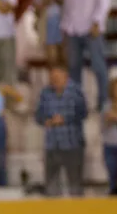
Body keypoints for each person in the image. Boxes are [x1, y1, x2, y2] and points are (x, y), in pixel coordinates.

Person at [62, 0, 111, 110]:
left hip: (92, 29)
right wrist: (66, 27)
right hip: (74, 29)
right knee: (74, 69)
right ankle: (77, 104)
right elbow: (69, 5)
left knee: (98, 66)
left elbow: (103, 2)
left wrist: (97, 22)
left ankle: (103, 102)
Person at [34, 64, 88, 197]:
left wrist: (65, 119)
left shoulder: (76, 92)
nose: (54, 81)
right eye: (52, 78)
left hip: (72, 144)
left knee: (74, 183)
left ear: (65, 76)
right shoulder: (45, 93)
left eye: (57, 77)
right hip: (52, 145)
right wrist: (45, 120)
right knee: (51, 185)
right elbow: (38, 115)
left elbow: (83, 113)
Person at [31, 0, 67, 74]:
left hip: (66, 23)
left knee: (65, 56)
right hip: (49, 22)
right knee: (52, 58)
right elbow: (36, 8)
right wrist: (47, 0)